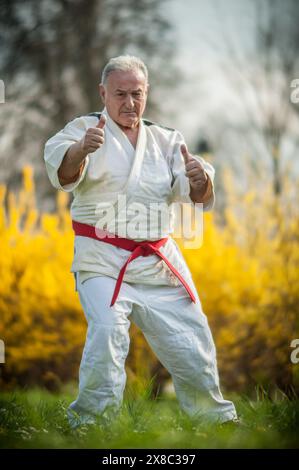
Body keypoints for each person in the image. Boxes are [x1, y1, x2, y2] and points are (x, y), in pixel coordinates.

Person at [44, 55, 238, 428]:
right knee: (107, 333)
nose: (130, 103)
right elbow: (62, 170)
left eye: (137, 94)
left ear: (146, 93)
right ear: (103, 92)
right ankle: (92, 423)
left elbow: (194, 192)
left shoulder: (167, 140)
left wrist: (199, 179)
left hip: (157, 259)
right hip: (102, 259)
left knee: (192, 335)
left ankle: (213, 419)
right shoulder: (83, 129)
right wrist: (81, 149)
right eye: (120, 94)